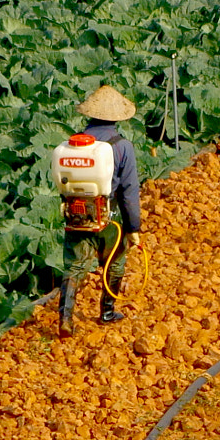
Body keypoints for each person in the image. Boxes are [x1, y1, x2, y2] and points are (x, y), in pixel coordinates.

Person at [58, 86, 142, 329]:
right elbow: (129, 190)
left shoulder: (72, 144)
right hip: (110, 213)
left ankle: (65, 318)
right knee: (114, 262)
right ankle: (107, 312)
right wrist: (134, 226)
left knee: (74, 265)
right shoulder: (122, 146)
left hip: (76, 212)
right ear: (117, 118)